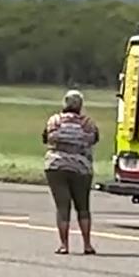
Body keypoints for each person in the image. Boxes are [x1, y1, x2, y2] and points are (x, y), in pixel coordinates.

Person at [42, 89, 100, 255]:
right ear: (80, 105)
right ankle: (87, 244)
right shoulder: (87, 123)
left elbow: (46, 138)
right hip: (81, 166)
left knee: (62, 206)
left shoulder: (54, 120)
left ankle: (64, 245)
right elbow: (94, 138)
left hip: (56, 165)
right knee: (83, 207)